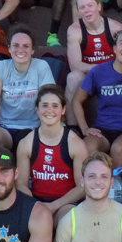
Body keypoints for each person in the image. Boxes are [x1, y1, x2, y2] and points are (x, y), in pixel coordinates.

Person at [73, 29, 122, 169]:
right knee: (87, 147)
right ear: (114, 48)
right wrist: (84, 128)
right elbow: (77, 101)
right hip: (102, 128)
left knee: (118, 148)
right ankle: (91, 188)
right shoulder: (98, 71)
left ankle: (116, 188)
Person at [16, 85, 87, 222]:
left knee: (67, 220)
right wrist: (37, 205)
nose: (50, 110)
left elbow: (82, 187)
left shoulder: (76, 144)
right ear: (37, 110)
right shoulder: (26, 143)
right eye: (45, 105)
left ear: (63, 110)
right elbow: (20, 184)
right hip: (36, 202)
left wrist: (54, 206)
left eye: (55, 106)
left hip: (65, 204)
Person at [0, 25, 56, 150]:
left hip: (33, 127)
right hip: (5, 127)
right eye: (16, 45)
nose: (20, 50)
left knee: (26, 141)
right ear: (9, 49)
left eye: (26, 46)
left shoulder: (41, 66)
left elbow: (49, 102)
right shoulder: (1, 68)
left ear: (32, 50)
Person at [64, 0, 122, 126]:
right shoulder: (74, 30)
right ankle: (73, 128)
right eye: (82, 7)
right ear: (78, 11)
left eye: (90, 5)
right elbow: (75, 65)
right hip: (89, 76)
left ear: (99, 6)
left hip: (112, 74)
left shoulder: (116, 28)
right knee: (73, 77)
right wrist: (101, 69)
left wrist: (111, 71)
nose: (87, 11)